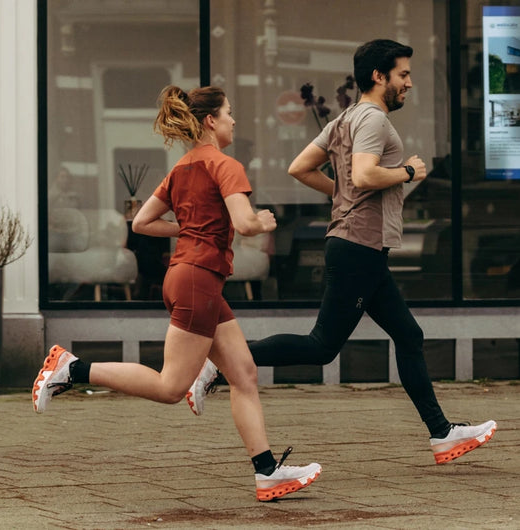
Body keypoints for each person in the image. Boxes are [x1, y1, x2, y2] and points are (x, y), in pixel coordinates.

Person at [187, 39, 497, 465]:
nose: (409, 83)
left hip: (360, 246)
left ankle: (441, 434)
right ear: (378, 76)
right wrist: (408, 171)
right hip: (358, 248)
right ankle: (216, 364)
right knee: (321, 346)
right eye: (403, 75)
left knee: (409, 335)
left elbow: (300, 167)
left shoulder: (345, 118)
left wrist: (343, 195)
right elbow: (366, 173)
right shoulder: (372, 119)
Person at [32, 85, 321, 501]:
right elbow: (243, 224)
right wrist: (264, 221)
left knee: (243, 374)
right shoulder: (226, 165)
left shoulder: (182, 168)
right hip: (198, 280)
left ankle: (267, 472)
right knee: (170, 386)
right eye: (229, 113)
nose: (234, 120)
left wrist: (187, 230)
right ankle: (69, 369)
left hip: (190, 276)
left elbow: (142, 223)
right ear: (211, 121)